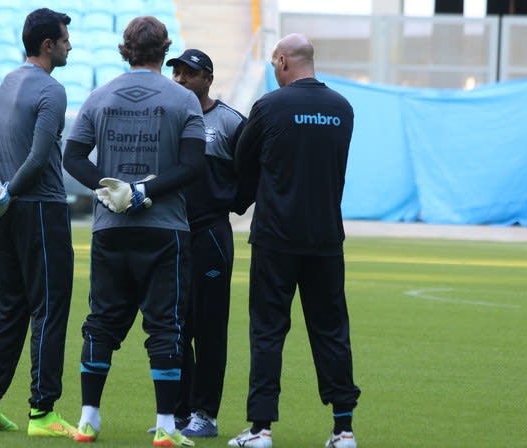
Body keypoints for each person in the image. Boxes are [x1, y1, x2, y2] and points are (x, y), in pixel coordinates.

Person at [62, 16, 206, 447]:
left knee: (101, 323)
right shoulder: (183, 100)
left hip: (111, 228)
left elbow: (72, 158)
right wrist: (144, 191)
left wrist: (109, 189)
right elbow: (193, 165)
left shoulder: (99, 96)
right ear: (165, 50)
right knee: (165, 327)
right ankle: (165, 427)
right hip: (165, 229)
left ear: (126, 49)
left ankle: (88, 419)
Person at [227, 33, 361, 448]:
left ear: (284, 60)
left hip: (275, 239)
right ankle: (343, 430)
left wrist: (232, 203)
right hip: (325, 240)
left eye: (272, 62)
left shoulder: (269, 106)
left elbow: (242, 165)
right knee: (331, 331)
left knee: (267, 331)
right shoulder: (343, 109)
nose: (272, 69)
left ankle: (261, 429)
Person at [0, 8, 78, 438]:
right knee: (49, 308)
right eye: (66, 39)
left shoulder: (5, 85)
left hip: (9, 215)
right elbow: (37, 158)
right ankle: (43, 412)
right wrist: (11, 189)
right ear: (48, 45)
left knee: (8, 308)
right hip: (42, 209)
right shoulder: (52, 90)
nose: (71, 45)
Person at [164, 48, 247, 438]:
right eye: (176, 72)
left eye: (188, 73)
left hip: (211, 233)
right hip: (171, 232)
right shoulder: (169, 117)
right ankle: (179, 414)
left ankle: (206, 414)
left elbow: (253, 173)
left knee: (209, 327)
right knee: (175, 324)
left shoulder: (229, 121)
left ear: (207, 79)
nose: (179, 79)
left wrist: (229, 203)